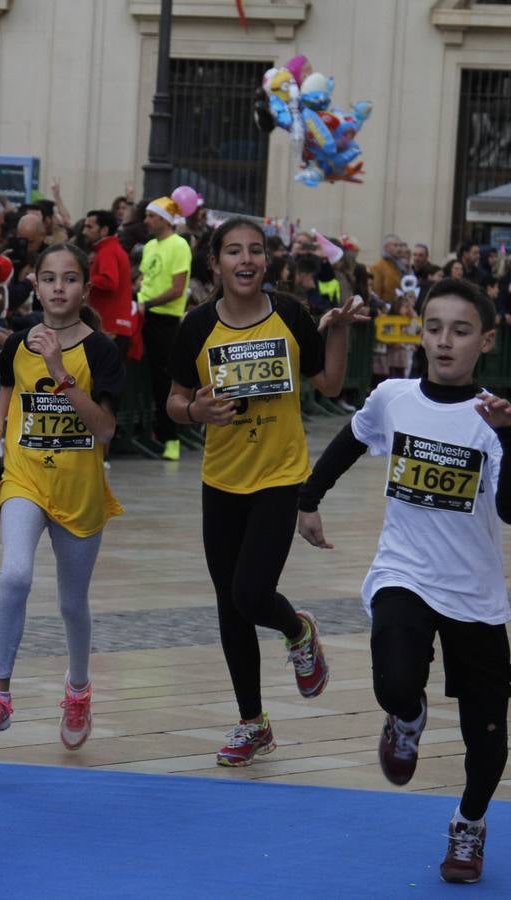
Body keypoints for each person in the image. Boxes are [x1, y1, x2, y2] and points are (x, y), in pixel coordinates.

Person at [296, 276, 511, 885]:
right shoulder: (394, 397)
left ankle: (469, 824)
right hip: (404, 572)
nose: (445, 342)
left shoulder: (493, 419)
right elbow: (350, 440)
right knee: (397, 681)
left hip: (474, 593)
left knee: (487, 736)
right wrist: (309, 498)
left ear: (486, 340)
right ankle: (406, 719)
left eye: (461, 330)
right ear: (418, 332)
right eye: (434, 328)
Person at [165, 217, 365, 767]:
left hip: (280, 475)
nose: (245, 260)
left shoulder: (292, 315)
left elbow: (327, 385)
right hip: (221, 478)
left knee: (251, 594)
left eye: (255, 250)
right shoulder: (196, 326)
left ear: (267, 263)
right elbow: (175, 401)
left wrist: (340, 331)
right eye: (234, 251)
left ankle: (296, 629)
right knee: (229, 607)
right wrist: (195, 411)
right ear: (216, 263)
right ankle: (252, 723)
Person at [0, 243, 124, 750]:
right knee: (14, 574)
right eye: (49, 279)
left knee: (72, 603)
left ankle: (78, 689)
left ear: (85, 288)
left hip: (79, 489)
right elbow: (3, 413)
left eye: (70, 279)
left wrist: (60, 372)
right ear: (35, 285)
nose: (59, 288)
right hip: (25, 480)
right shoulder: (15, 345)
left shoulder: (101, 350)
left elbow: (104, 431)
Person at [138, 197, 193, 460]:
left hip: (164, 321)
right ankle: (148, 432)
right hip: (142, 315)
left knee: (163, 381)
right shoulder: (150, 246)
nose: (146, 220)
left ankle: (171, 438)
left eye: (151, 215)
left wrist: (146, 304)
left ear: (164, 219)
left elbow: (177, 288)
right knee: (143, 379)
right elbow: (145, 278)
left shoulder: (178, 245)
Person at [83, 209, 133, 355]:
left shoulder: (108, 251)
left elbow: (109, 281)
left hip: (109, 327)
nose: (84, 231)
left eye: (89, 227)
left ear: (104, 230)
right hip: (115, 327)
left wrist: (83, 280)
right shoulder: (111, 249)